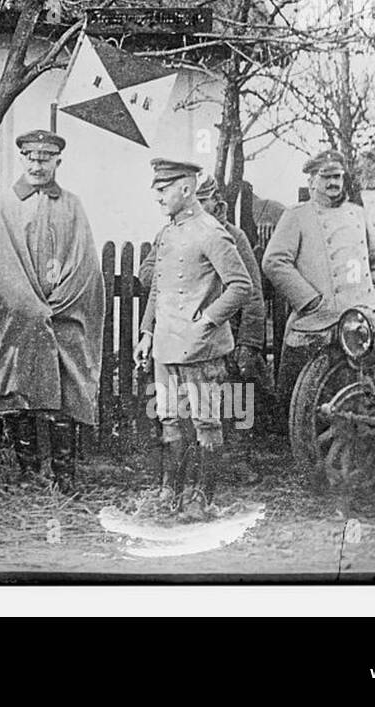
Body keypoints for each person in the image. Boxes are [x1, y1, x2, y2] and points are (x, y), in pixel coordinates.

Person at [0, 130, 104, 495]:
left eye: (46, 158)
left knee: (66, 393)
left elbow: (85, 261)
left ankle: (64, 474)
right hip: (20, 317)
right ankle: (28, 472)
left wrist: (59, 300)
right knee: (20, 394)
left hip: (62, 314)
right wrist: (27, 303)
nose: (37, 165)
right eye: (31, 157)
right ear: (22, 158)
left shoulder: (72, 205)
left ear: (58, 161)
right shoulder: (4, 205)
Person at [134, 158, 252, 518]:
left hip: (201, 350)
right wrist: (146, 331)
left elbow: (241, 285)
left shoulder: (211, 231)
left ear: (186, 189)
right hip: (166, 346)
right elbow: (157, 287)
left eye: (163, 188)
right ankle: (170, 491)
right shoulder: (167, 234)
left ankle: (201, 496)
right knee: (169, 419)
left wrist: (208, 321)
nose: (157, 196)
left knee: (206, 422)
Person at [261, 149, 375, 429]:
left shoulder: (358, 214)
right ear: (312, 181)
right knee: (304, 402)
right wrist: (309, 301)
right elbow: (273, 262)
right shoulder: (297, 215)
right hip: (320, 318)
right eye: (327, 177)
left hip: (361, 318)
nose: (334, 183)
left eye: (338, 177)